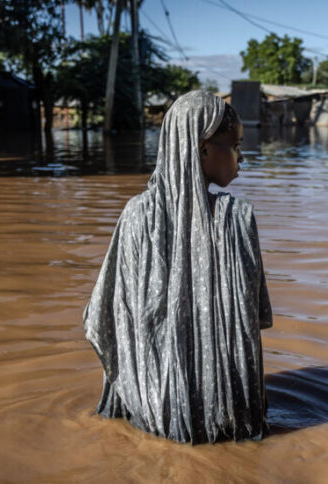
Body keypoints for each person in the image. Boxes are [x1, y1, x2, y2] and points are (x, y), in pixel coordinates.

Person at [83, 90, 272, 444]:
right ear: (202, 149)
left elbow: (105, 318)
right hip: (229, 417)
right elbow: (252, 323)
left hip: (151, 411)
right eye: (235, 146)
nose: (242, 156)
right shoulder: (236, 217)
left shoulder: (136, 216)